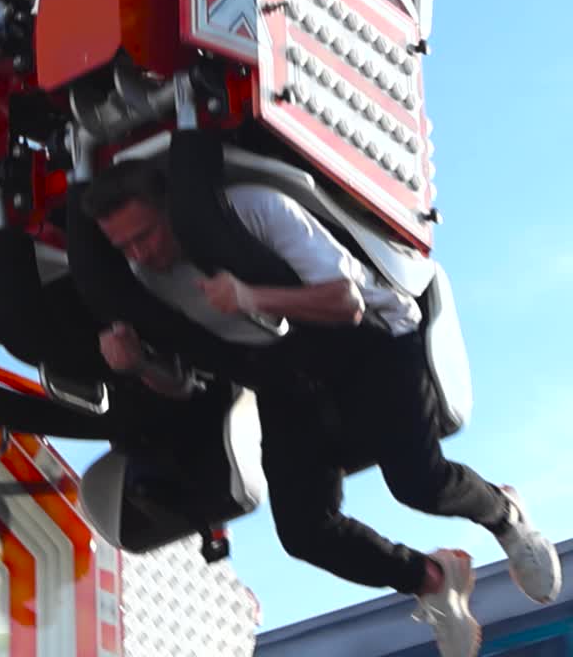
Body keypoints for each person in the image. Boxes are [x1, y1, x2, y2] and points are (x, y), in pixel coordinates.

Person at [81, 158, 561, 656]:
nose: (140, 253)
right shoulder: (147, 278)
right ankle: (432, 579)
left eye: (146, 235)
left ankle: (507, 516)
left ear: (171, 208)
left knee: (418, 482)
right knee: (304, 532)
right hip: (288, 377)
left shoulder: (255, 210)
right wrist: (138, 365)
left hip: (371, 339)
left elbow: (346, 302)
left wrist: (250, 296)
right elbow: (184, 387)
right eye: (125, 246)